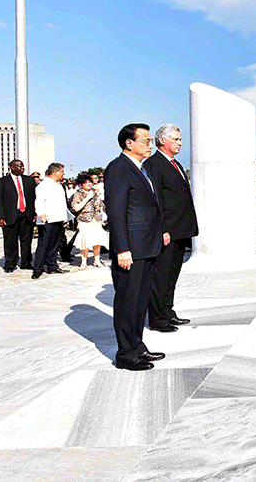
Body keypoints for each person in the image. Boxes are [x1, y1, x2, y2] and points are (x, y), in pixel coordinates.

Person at [105, 123, 166, 371]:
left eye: (151, 141)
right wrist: (122, 248)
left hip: (147, 246)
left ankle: (137, 345)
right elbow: (116, 211)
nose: (150, 145)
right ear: (129, 143)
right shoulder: (118, 168)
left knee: (140, 301)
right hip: (131, 248)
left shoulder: (141, 169)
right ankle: (126, 354)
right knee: (128, 301)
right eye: (146, 141)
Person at [144, 124, 198, 332]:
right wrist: (162, 229)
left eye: (180, 139)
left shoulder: (175, 164)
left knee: (171, 276)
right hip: (167, 231)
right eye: (175, 139)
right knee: (161, 276)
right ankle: (157, 319)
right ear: (162, 141)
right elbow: (156, 200)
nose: (180, 143)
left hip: (180, 229)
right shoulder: (154, 164)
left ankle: (167, 311)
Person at [0, 159, 37, 272]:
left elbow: (33, 198)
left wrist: (34, 213)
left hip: (26, 215)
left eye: (23, 166)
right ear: (12, 167)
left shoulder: (29, 181)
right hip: (10, 215)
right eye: (20, 166)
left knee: (26, 240)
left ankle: (26, 262)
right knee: (10, 241)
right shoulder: (2, 182)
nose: (23, 168)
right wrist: (0, 217)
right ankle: (10, 263)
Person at [31, 163, 71, 279]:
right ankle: (38, 268)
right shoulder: (43, 185)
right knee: (44, 244)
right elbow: (39, 201)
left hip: (58, 218)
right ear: (55, 172)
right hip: (47, 219)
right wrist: (41, 213)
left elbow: (61, 203)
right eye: (62, 171)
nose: (63, 174)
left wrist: (65, 218)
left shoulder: (59, 185)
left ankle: (52, 266)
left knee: (55, 244)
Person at [70, 172, 108, 268]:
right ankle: (84, 261)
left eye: (90, 182)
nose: (89, 184)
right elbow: (76, 208)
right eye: (86, 183)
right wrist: (87, 198)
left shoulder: (95, 193)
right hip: (84, 220)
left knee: (97, 241)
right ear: (81, 184)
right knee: (85, 241)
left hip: (96, 219)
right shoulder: (78, 194)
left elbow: (101, 205)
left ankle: (97, 260)